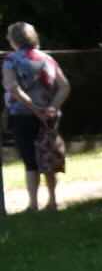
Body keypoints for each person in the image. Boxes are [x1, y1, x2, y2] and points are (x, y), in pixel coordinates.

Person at [3, 23, 69, 212]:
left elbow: (12, 87)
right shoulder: (47, 59)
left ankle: (33, 204)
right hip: (49, 117)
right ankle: (53, 201)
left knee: (30, 160)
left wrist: (34, 108)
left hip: (22, 115)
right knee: (48, 157)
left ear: (14, 40)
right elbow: (64, 86)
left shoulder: (11, 60)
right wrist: (52, 107)